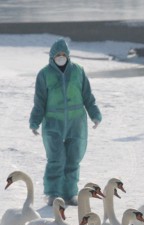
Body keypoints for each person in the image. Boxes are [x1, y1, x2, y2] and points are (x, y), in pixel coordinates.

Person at [29, 38, 102, 206]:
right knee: (56, 159)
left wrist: (95, 114)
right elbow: (39, 101)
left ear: (68, 55)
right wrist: (35, 122)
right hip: (53, 123)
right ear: (52, 56)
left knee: (73, 159)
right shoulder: (44, 74)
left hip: (76, 122)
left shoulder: (78, 71)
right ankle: (53, 194)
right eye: (58, 54)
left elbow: (87, 96)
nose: (61, 57)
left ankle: (70, 194)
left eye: (64, 54)